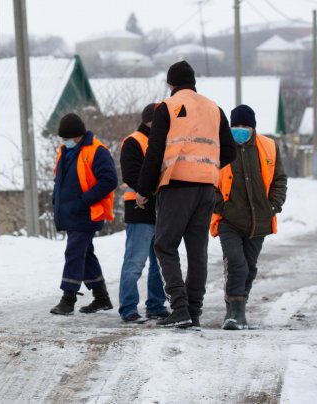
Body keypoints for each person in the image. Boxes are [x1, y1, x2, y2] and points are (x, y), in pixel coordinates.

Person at [136, 60, 236, 329]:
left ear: (170, 84)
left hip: (177, 185)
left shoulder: (167, 108)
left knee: (164, 245)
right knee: (197, 251)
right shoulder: (214, 108)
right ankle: (194, 310)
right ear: (193, 82)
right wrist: (207, 166)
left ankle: (179, 307)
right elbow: (230, 151)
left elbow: (154, 152)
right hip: (206, 188)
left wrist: (143, 190)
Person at [210, 104, 287, 330]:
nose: (240, 130)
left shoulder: (269, 147)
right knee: (237, 264)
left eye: (245, 126)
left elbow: (279, 179)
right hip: (228, 221)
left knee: (249, 268)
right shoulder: (220, 148)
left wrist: (272, 206)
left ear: (253, 127)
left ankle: (238, 308)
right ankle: (233, 315)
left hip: (258, 220)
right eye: (236, 126)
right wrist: (222, 208)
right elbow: (209, 182)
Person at [50, 113, 118, 315]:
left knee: (74, 252)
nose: (64, 141)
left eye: (66, 138)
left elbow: (109, 180)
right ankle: (102, 298)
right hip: (71, 213)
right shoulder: (65, 152)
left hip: (87, 213)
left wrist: (85, 200)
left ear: (77, 135)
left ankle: (68, 298)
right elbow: (60, 180)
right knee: (85, 255)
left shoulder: (97, 151)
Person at [118, 103, 169, 323]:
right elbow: (131, 174)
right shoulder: (134, 141)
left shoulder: (166, 141)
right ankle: (128, 308)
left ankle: (156, 305)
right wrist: (149, 191)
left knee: (159, 263)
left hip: (161, 208)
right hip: (140, 208)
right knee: (135, 261)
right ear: (150, 121)